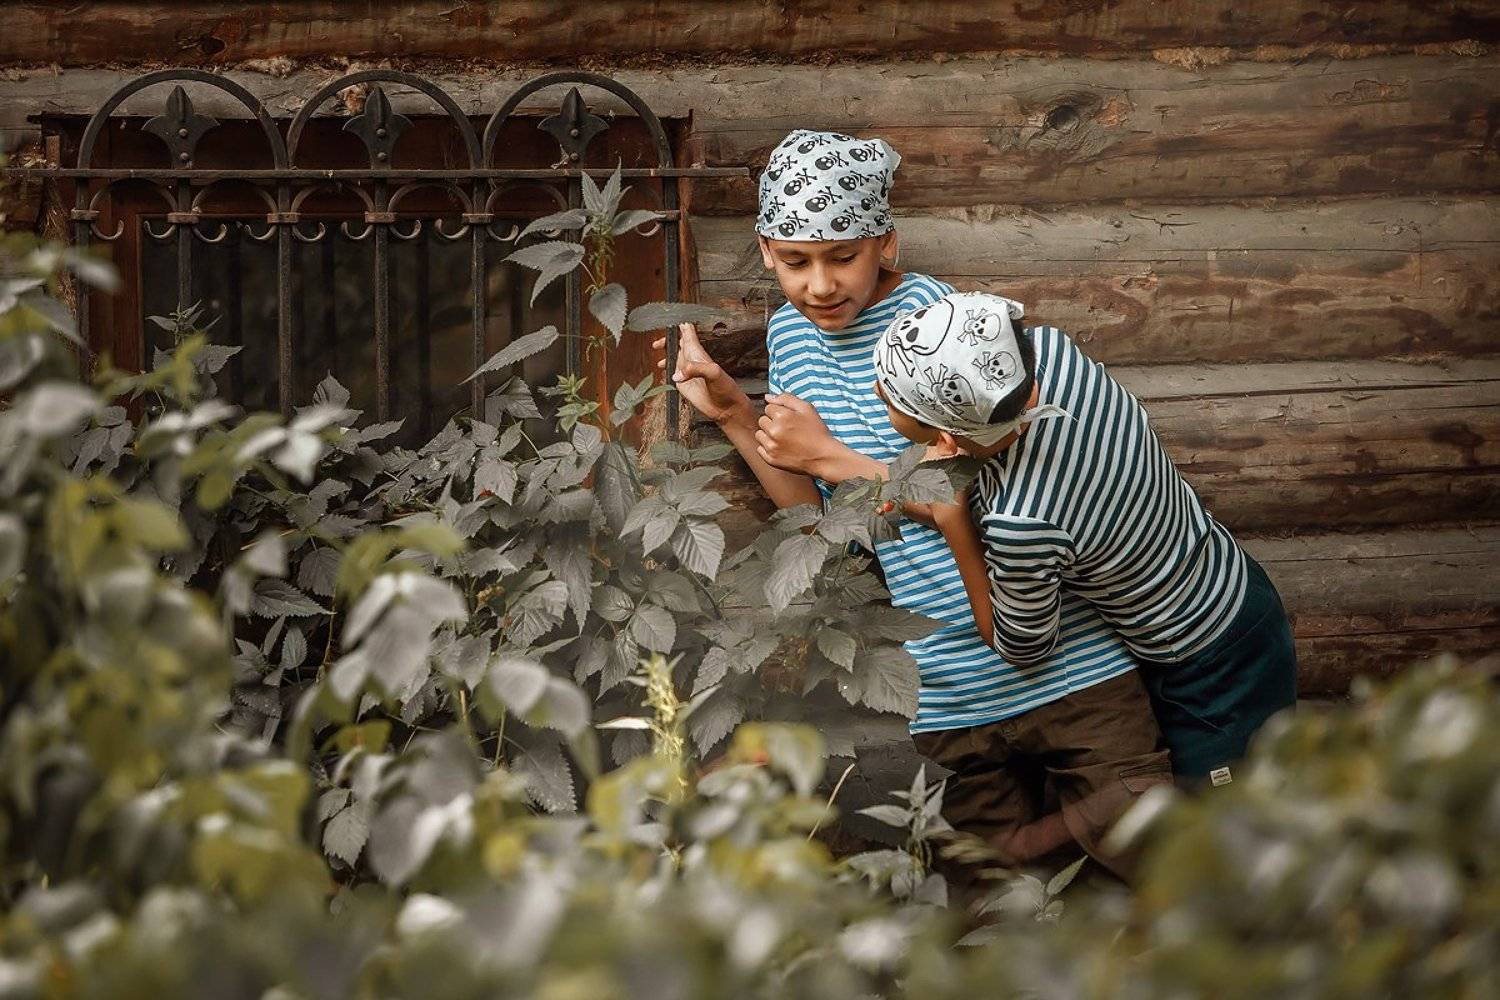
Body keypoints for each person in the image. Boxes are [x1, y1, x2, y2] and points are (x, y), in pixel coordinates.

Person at [656, 130, 1171, 883]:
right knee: (991, 898)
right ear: (766, 251)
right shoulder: (791, 338)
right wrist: (738, 415)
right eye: (796, 261)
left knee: (1151, 866)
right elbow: (827, 522)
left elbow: (972, 489)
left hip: (1070, 665)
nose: (820, 284)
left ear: (886, 243)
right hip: (945, 685)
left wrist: (825, 454)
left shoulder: (937, 321)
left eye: (843, 257)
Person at [871, 289, 1299, 787]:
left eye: (891, 398)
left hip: (1207, 663)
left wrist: (954, 523)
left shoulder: (1021, 522)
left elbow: (1022, 644)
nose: (878, 391)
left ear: (944, 437)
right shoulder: (1057, 355)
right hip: (1233, 581)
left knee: (1226, 809)